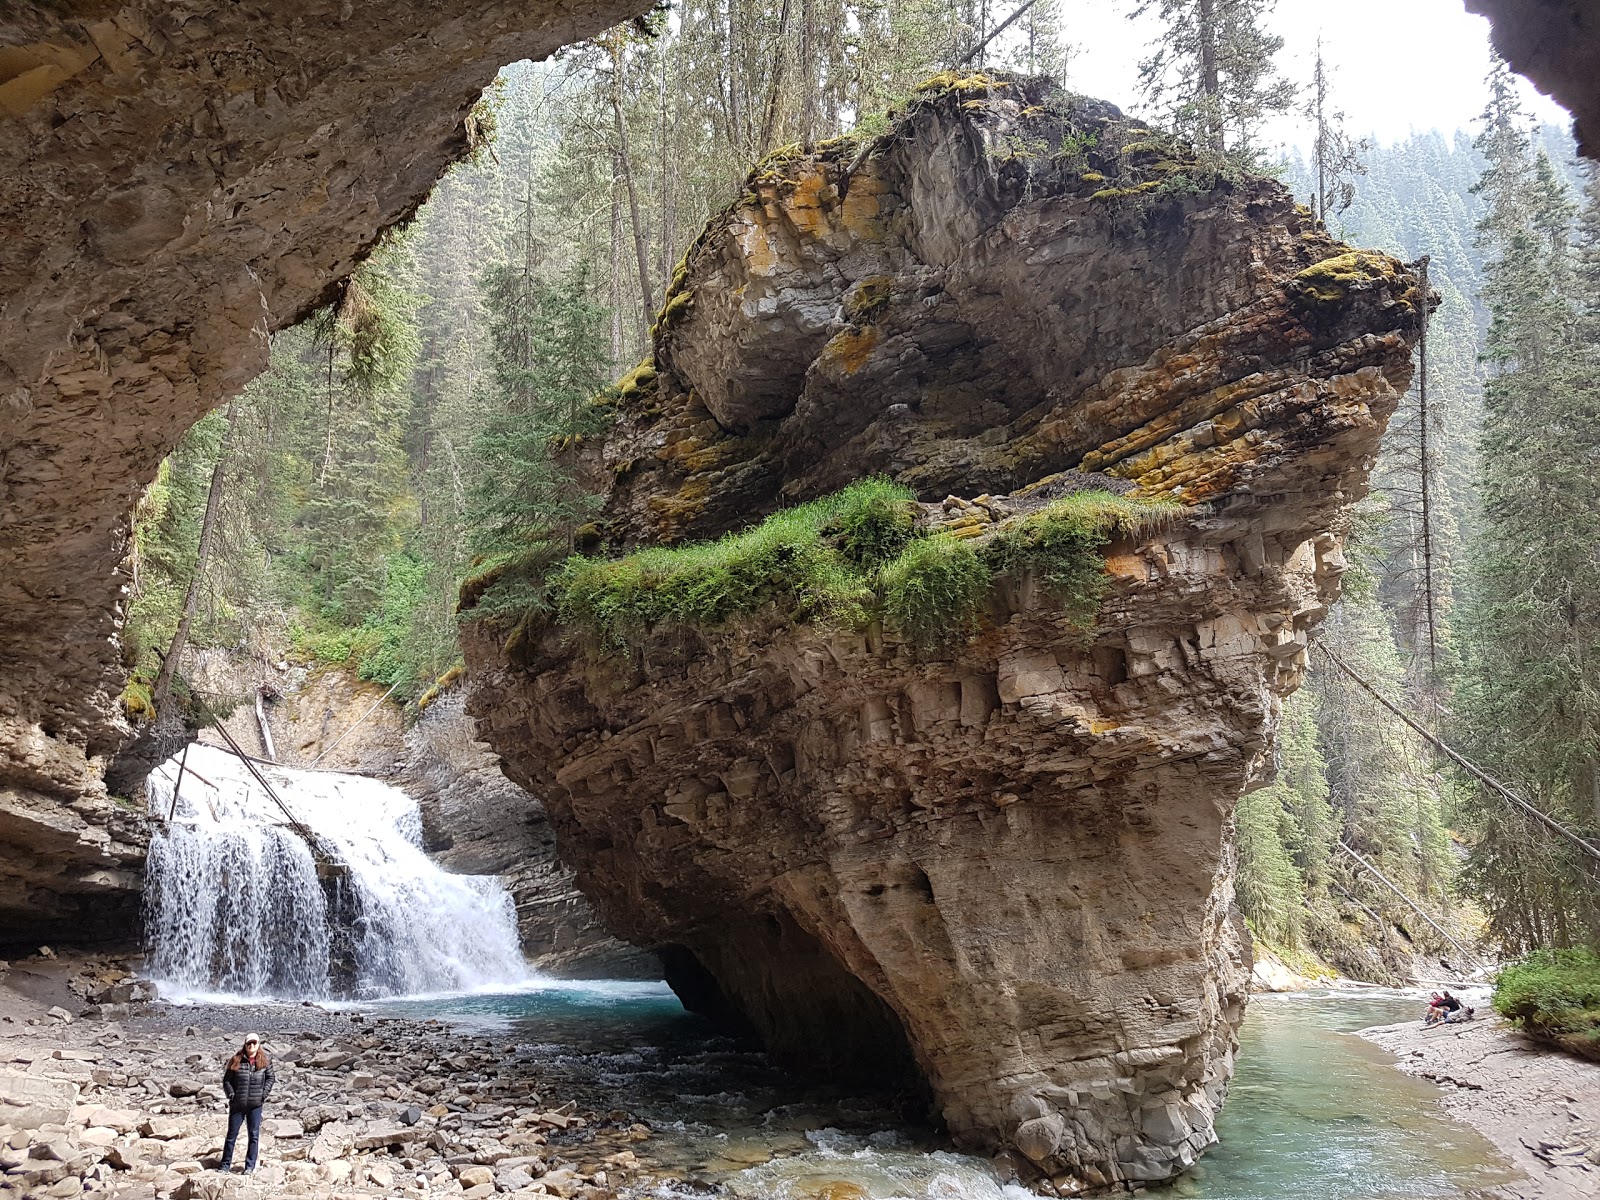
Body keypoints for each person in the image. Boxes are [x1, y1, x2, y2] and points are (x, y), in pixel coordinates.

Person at [220, 1034, 274, 1173]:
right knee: (232, 1136)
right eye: (249, 1043)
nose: (251, 1046)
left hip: (255, 1104)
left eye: (254, 1043)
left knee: (254, 1136)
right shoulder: (236, 1060)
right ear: (245, 1044)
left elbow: (270, 1078)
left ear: (258, 1044)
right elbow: (227, 1081)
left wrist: (263, 1094)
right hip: (237, 1104)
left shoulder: (265, 1061)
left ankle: (250, 1166)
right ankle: (225, 1165)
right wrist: (231, 1094)